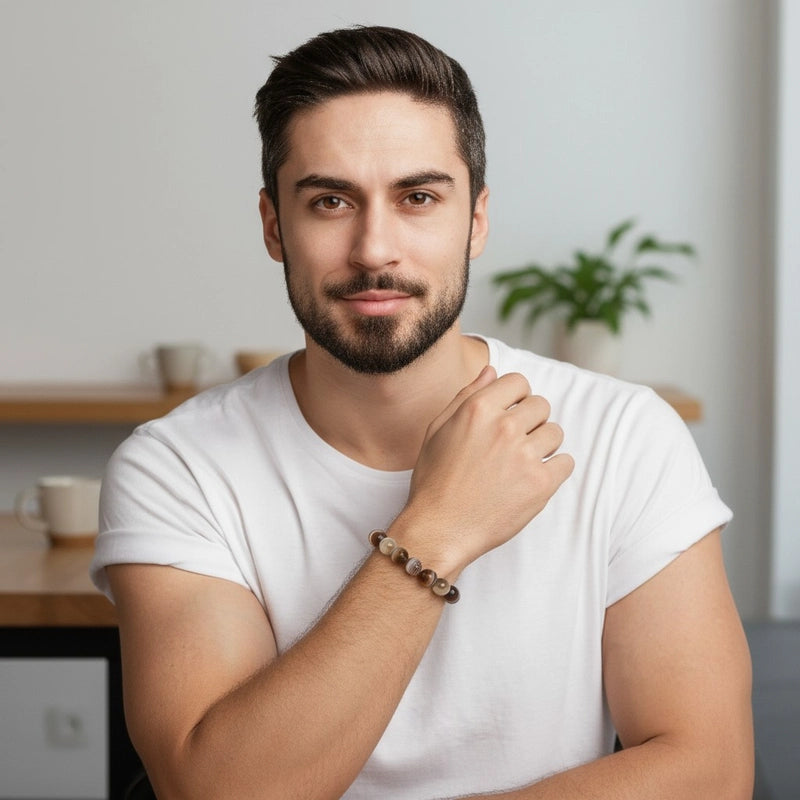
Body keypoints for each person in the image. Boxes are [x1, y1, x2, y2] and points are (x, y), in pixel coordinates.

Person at [90, 25, 753, 800]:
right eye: (331, 201)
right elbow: (218, 790)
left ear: (475, 219)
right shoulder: (177, 468)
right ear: (275, 226)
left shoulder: (621, 435)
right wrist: (437, 527)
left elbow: (709, 771)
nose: (376, 249)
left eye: (418, 197)